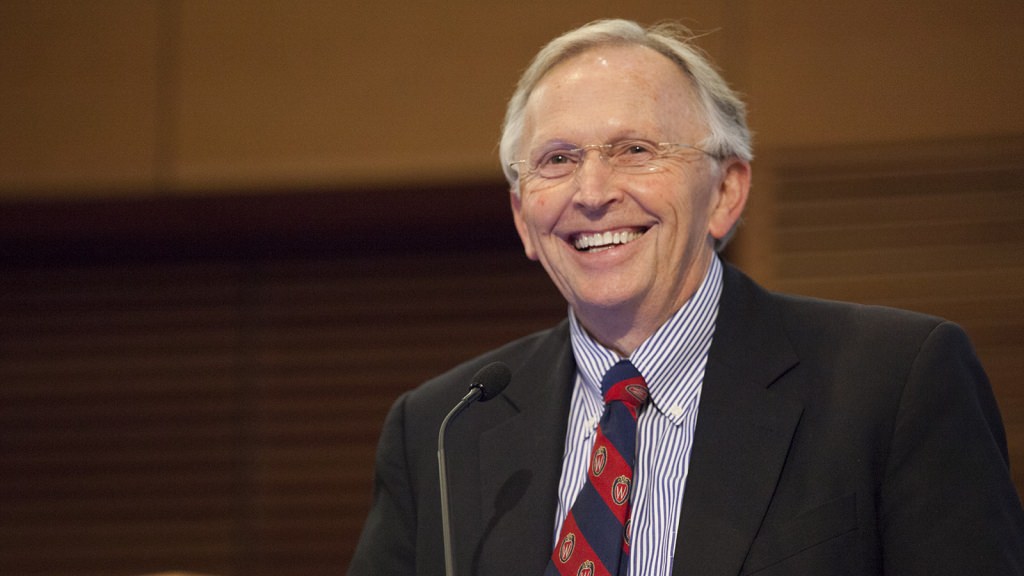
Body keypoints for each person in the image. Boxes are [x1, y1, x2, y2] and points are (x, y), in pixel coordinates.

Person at [348, 18, 1024, 575]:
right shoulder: (441, 430)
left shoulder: (895, 381)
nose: (592, 192)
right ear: (525, 218)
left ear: (725, 192)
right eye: (557, 159)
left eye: (635, 149)